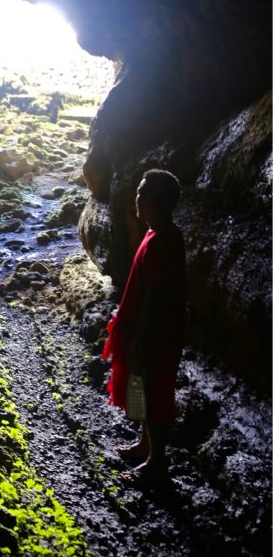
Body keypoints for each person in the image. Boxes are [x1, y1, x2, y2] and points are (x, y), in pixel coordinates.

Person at [102, 169, 186, 483]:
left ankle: (157, 462)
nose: (136, 198)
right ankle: (145, 444)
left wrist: (141, 337)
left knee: (154, 391)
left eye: (141, 193)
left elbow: (156, 294)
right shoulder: (157, 232)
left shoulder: (164, 240)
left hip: (157, 331)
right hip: (148, 327)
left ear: (154, 202)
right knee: (145, 385)